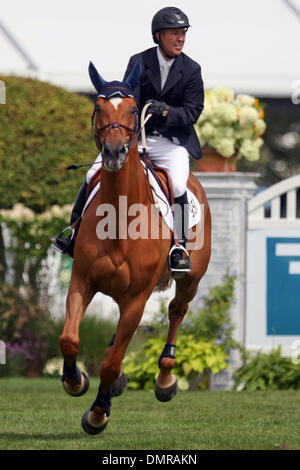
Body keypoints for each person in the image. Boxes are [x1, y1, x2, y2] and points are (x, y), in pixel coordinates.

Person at [51, 6, 204, 275]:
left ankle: (178, 246)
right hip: (137, 139)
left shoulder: (191, 69)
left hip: (171, 143)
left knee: (179, 183)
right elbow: (127, 101)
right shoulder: (139, 62)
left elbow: (193, 111)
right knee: (91, 173)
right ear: (158, 36)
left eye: (183, 34)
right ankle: (72, 232)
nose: (180, 39)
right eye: (174, 34)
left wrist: (166, 112)